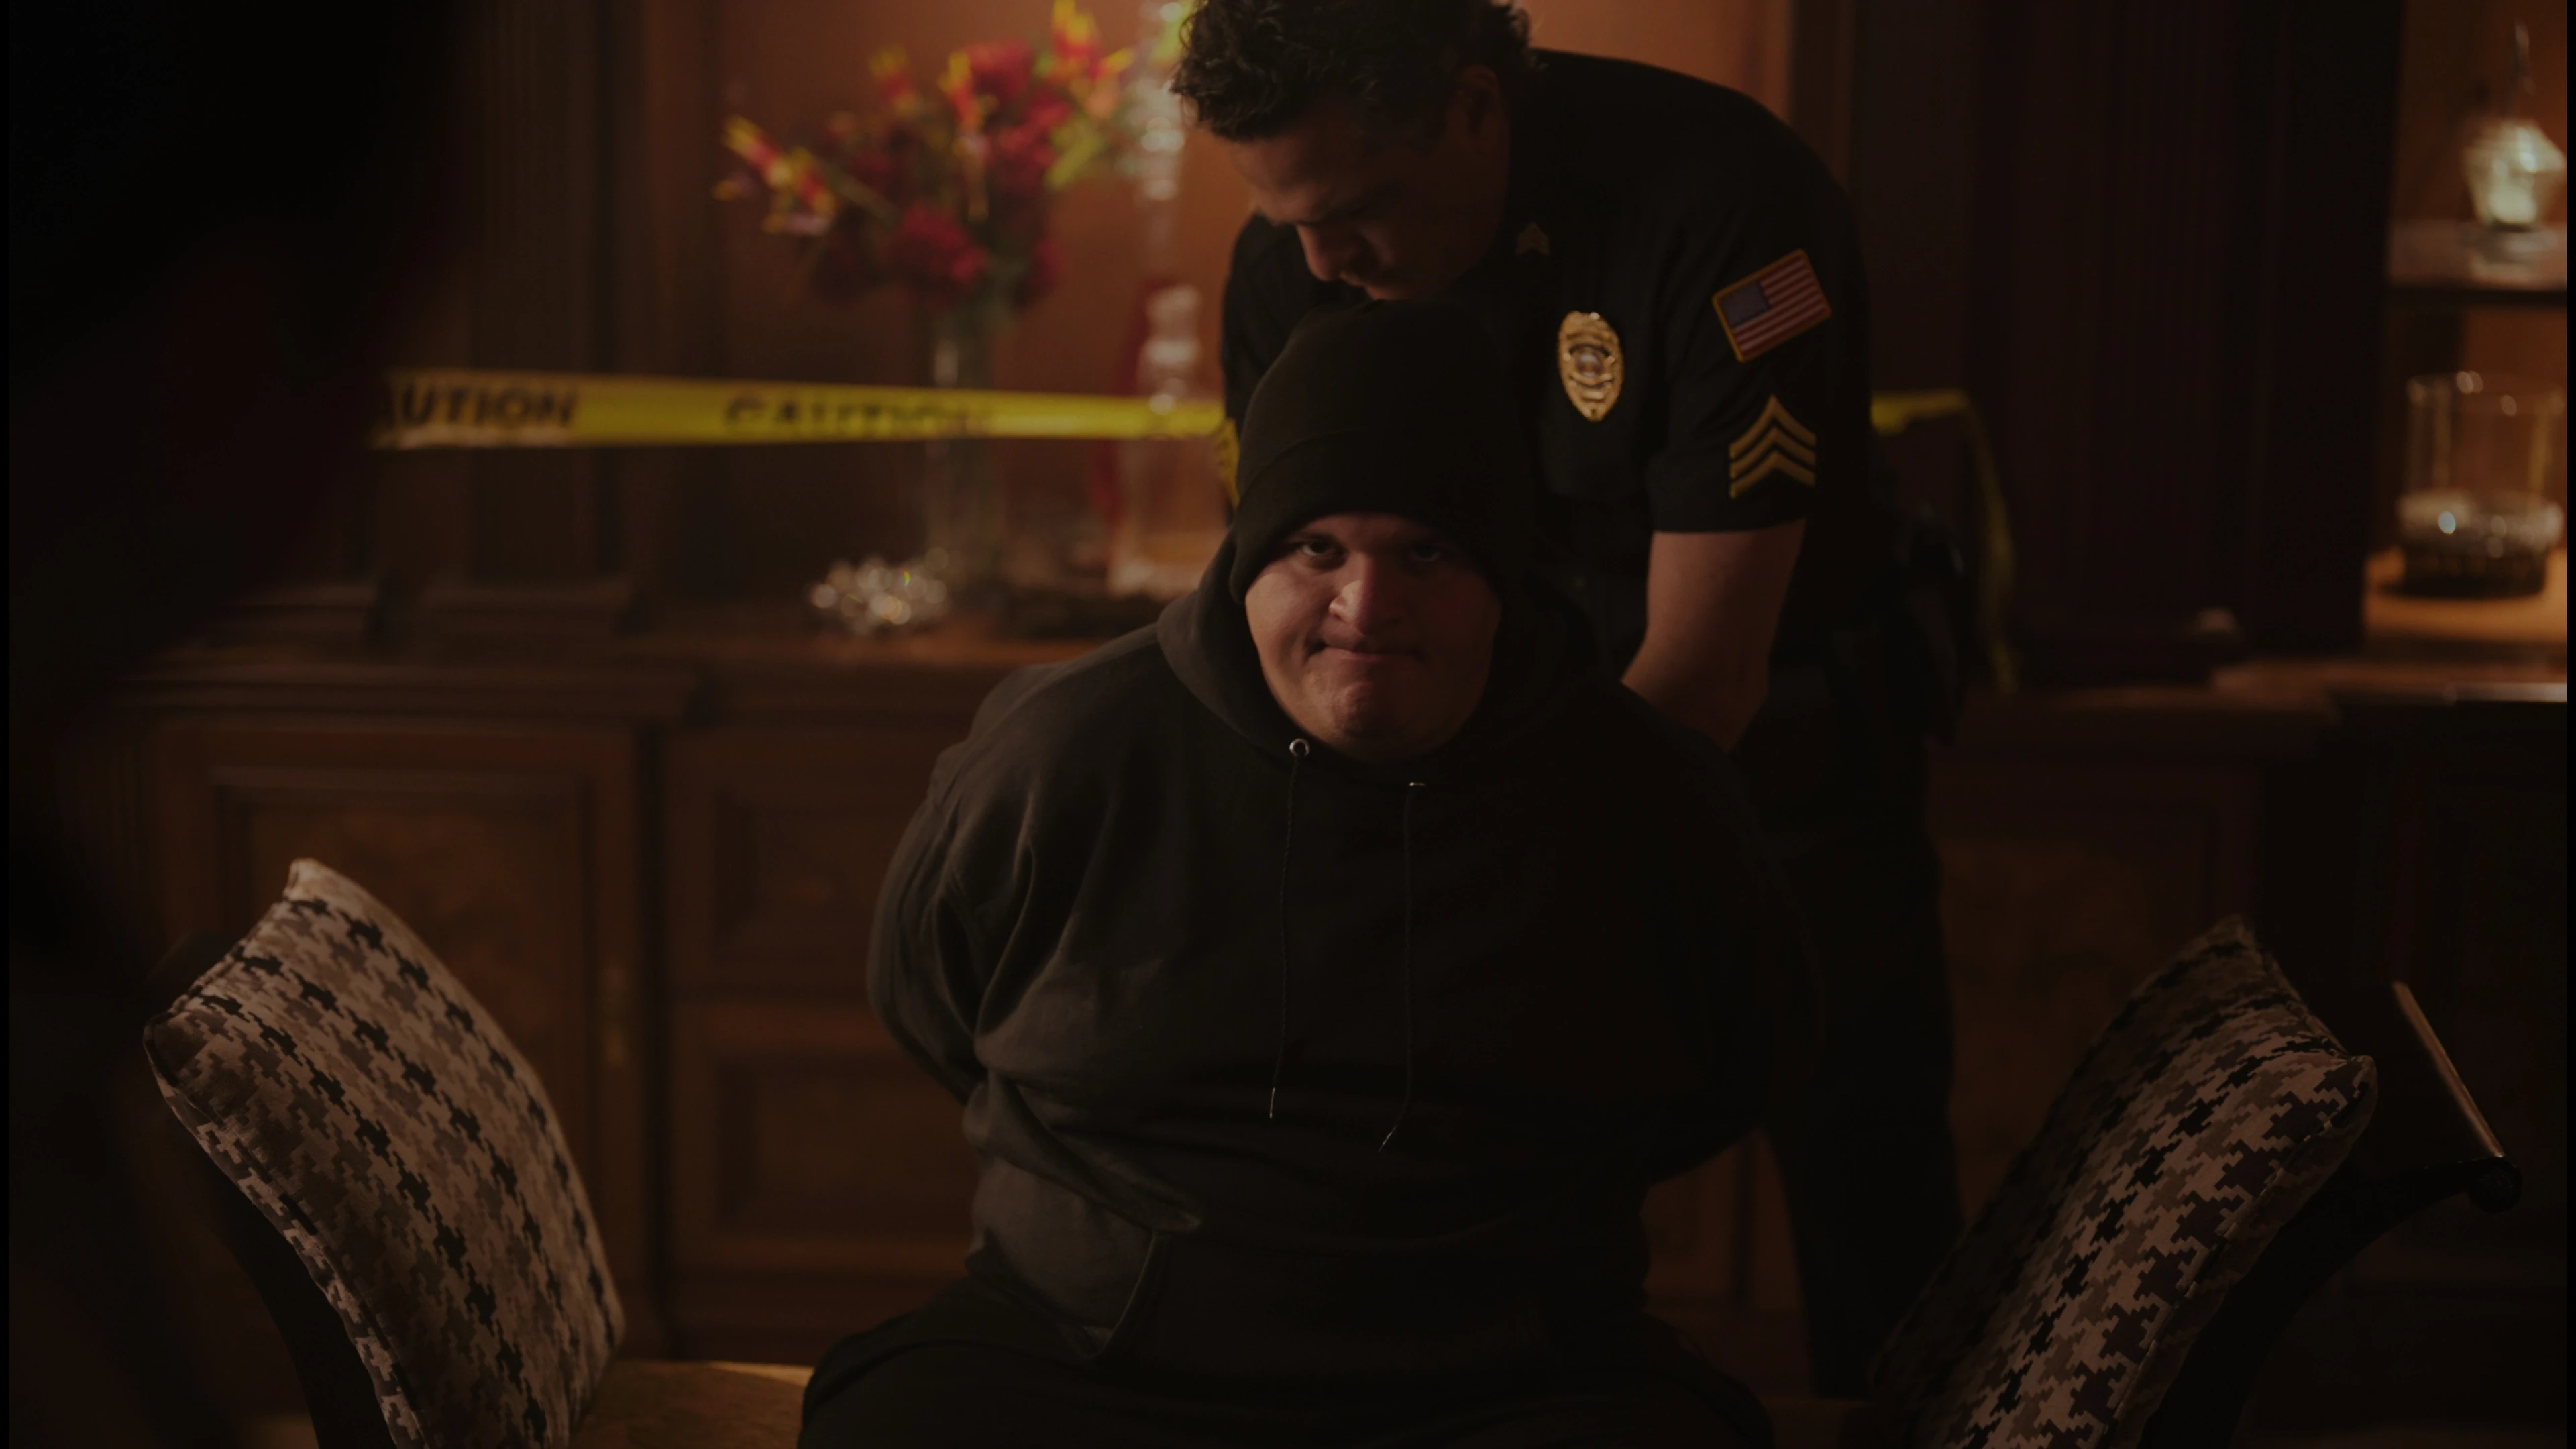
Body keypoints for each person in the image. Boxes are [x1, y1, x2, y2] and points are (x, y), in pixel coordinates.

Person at [803, 302, 1808, 1446]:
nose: (1365, 608)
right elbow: (927, 998)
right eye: (1316, 549)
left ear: (1504, 577)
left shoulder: (1644, 791)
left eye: (1426, 553)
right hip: (1090, 1356)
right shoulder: (1065, 750)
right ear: (1248, 560)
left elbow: (1741, 1058)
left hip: (1509, 1380)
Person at [1173, 0, 1964, 1395]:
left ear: (1476, 109)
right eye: (1285, 215)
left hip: (1772, 758)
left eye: (1356, 210)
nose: (1320, 262)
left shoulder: (1727, 211)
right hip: (1463, 779)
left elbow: (1704, 677)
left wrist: (1489, 894)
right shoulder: (1290, 259)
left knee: (1870, 1194)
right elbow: (1287, 605)